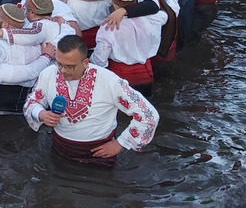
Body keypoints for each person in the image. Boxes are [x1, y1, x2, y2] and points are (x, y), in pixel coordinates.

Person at [23, 35, 160, 167]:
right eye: (59, 64)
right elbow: (32, 102)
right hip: (60, 148)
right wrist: (41, 114)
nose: (63, 70)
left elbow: (148, 114)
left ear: (85, 62)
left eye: (70, 66)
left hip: (99, 154)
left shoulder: (109, 81)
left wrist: (121, 143)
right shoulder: (48, 74)